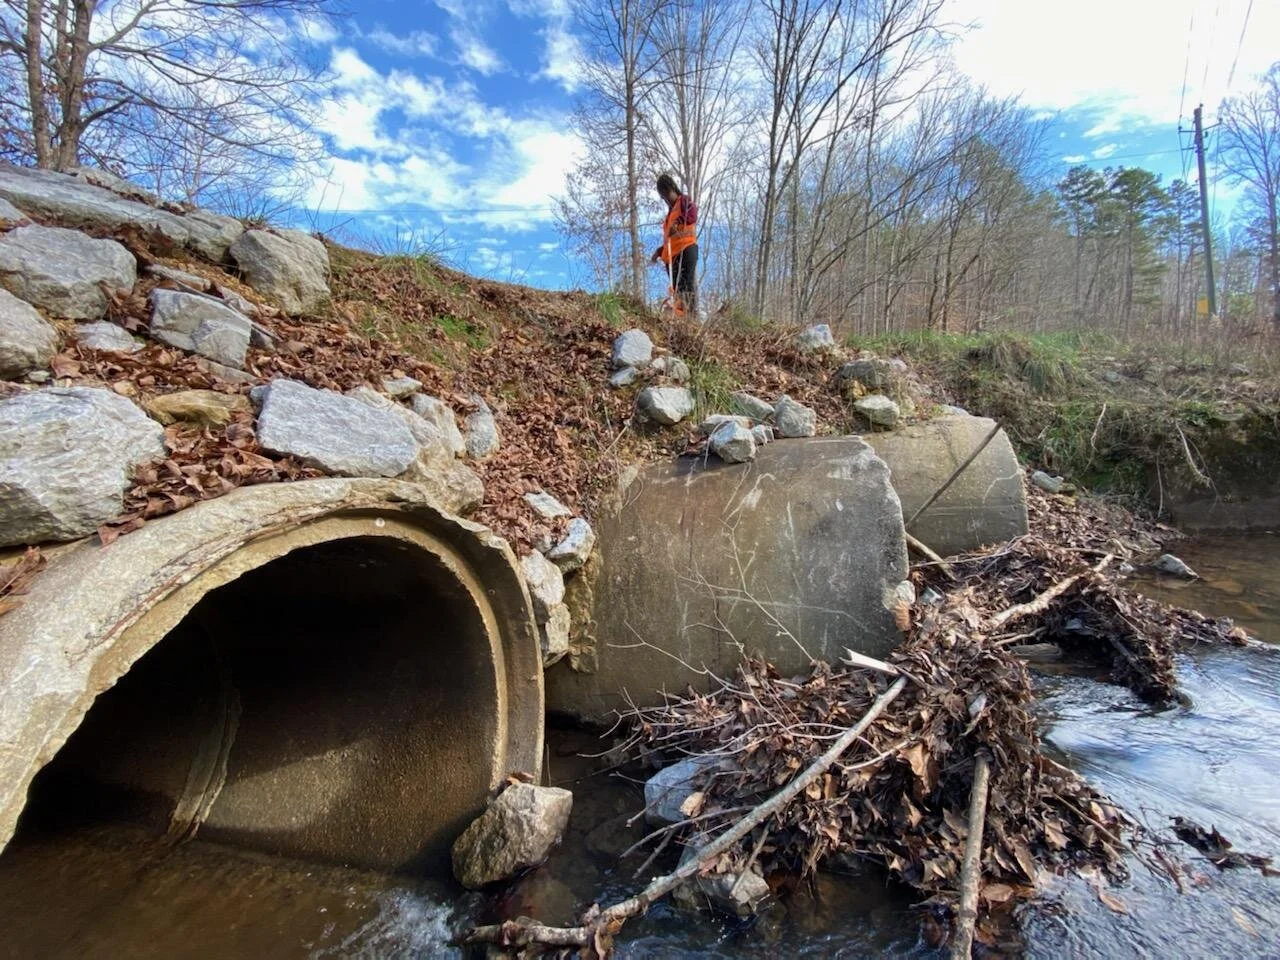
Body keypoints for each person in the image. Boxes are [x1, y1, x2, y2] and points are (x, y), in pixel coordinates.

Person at [650, 173, 698, 317]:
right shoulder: (670, 213)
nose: (666, 199)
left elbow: (692, 214)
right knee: (677, 290)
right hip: (673, 256)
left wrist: (677, 224)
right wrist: (660, 251)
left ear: (672, 188)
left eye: (667, 194)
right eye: (663, 196)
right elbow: (670, 239)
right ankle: (680, 317)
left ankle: (689, 318)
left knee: (686, 287)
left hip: (686, 250)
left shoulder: (683, 201)